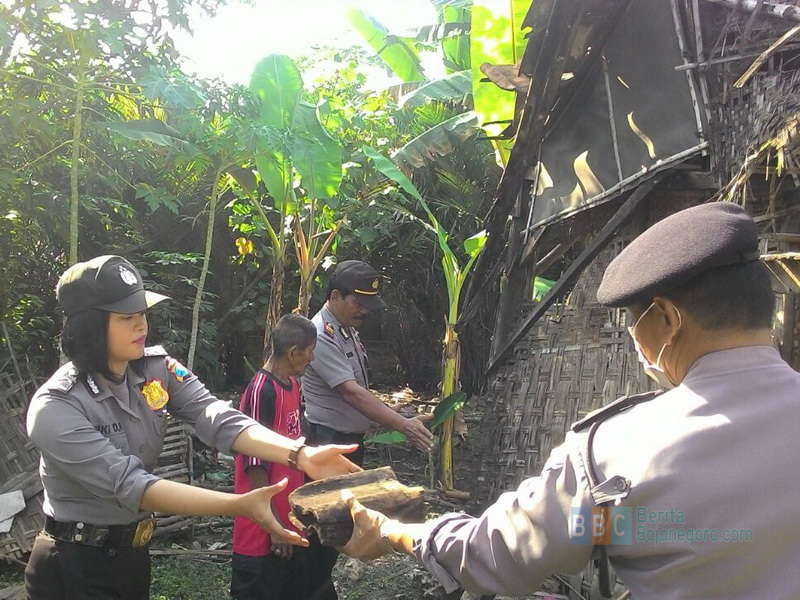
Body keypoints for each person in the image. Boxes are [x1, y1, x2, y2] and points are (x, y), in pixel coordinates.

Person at [338, 203, 800, 599]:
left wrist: (394, 531)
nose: (634, 340)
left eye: (633, 323)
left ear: (666, 318)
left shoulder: (619, 450)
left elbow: (501, 551)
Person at [24, 255, 360, 600]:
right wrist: (238, 505)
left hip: (131, 556)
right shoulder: (56, 407)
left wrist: (300, 455)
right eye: (127, 317)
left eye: (142, 313)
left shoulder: (153, 368)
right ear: (89, 327)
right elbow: (131, 485)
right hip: (73, 564)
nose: (142, 326)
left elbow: (214, 415)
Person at [231, 314, 336, 600]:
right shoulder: (261, 391)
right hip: (261, 531)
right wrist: (273, 526)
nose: (312, 358)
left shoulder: (292, 385)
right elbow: (255, 468)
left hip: (289, 523)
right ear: (293, 353)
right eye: (310, 351)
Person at [301, 259, 433, 464]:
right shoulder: (320, 335)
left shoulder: (345, 327)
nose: (364, 311)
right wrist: (403, 425)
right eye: (358, 303)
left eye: (367, 305)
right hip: (328, 441)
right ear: (335, 296)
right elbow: (351, 392)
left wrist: (385, 415)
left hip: (348, 441)